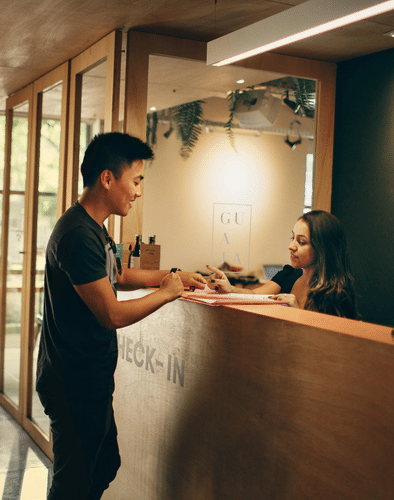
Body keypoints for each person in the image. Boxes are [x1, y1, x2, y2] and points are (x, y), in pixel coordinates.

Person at [36, 132, 206, 500]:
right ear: (108, 179)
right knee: (74, 486)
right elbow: (110, 314)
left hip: (88, 379)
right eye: (136, 180)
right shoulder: (78, 234)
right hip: (73, 382)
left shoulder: (93, 228)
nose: (138, 191)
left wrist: (173, 276)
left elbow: (121, 276)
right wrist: (165, 294)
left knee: (104, 465)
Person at [207, 210, 357, 319]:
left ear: (322, 249)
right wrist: (230, 288)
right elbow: (254, 295)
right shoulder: (288, 274)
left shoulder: (337, 293)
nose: (291, 246)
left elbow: (329, 343)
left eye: (301, 242)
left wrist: (296, 311)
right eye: (292, 238)